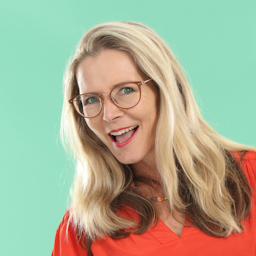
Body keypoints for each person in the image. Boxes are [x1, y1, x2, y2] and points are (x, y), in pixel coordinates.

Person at [51, 21, 256, 256]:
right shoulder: (84, 230)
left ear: (166, 91)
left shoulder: (250, 176)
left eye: (126, 90)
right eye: (91, 100)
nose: (108, 114)